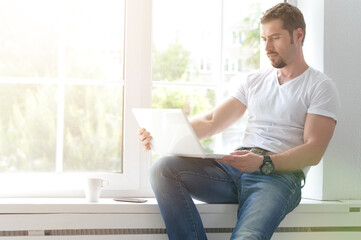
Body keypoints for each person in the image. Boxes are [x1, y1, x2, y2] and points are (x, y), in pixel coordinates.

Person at [138, 3, 340, 240]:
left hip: (278, 177)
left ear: (298, 35)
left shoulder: (320, 86)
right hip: (235, 168)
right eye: (264, 38)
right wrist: (161, 134)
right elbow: (213, 121)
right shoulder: (254, 81)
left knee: (247, 237)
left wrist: (264, 162)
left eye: (275, 38)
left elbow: (313, 151)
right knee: (163, 170)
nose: (267, 47)